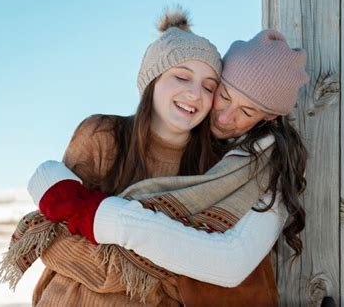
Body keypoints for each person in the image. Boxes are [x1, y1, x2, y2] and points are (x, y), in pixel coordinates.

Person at [25, 28, 309, 306]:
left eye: (246, 111)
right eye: (223, 96)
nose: (224, 117)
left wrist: (103, 219)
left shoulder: (223, 166)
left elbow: (223, 263)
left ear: (269, 117)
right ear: (153, 78)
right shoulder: (103, 135)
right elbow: (50, 238)